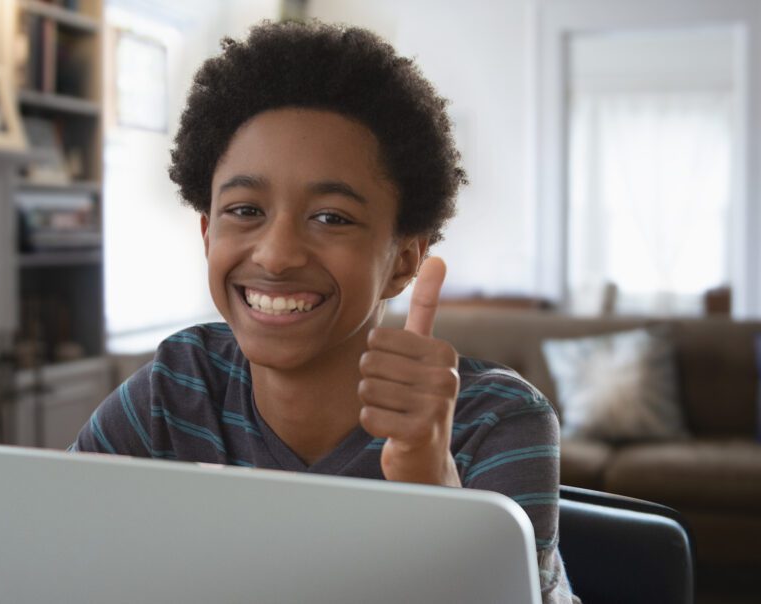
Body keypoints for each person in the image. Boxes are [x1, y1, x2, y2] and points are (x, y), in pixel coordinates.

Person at [70, 20, 573, 603]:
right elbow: (49, 552)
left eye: (331, 217)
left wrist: (434, 486)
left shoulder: (497, 423)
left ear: (404, 261)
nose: (276, 255)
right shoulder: (175, 390)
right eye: (245, 210)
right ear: (207, 234)